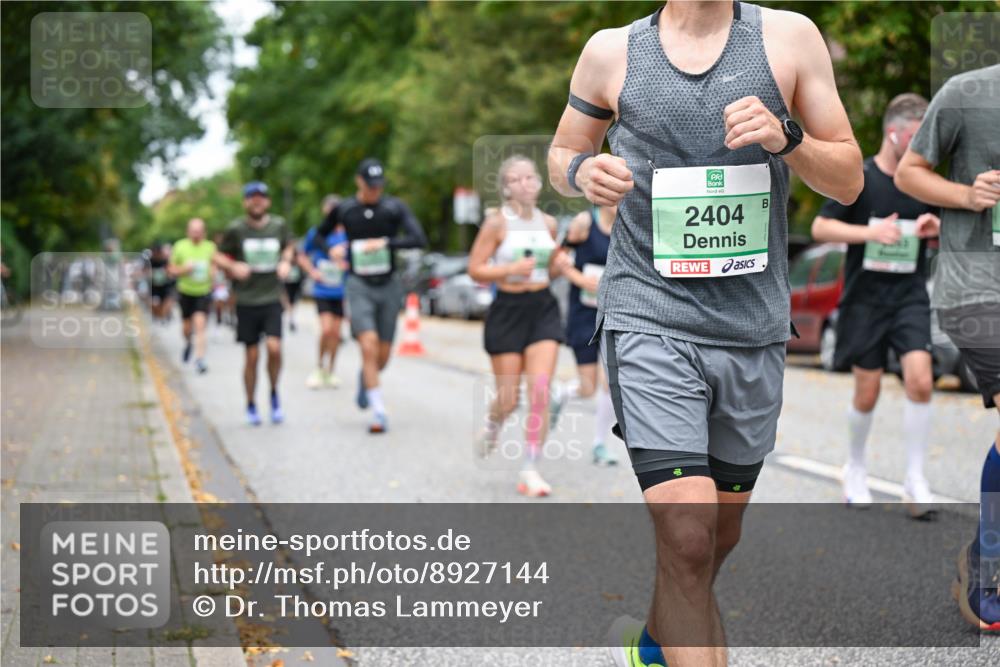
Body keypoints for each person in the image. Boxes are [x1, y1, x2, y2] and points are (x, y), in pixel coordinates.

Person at [548, 2, 864, 664]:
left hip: (751, 329)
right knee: (688, 536)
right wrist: (582, 173)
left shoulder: (788, 37)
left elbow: (850, 177)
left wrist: (789, 138)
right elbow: (563, 152)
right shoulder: (612, 51)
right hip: (649, 315)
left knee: (715, 538)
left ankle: (654, 644)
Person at [895, 64, 1000, 631]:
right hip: (977, 289)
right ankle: (988, 565)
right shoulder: (967, 94)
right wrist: (968, 193)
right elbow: (912, 173)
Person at [810, 93, 941, 516]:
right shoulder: (861, 178)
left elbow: (944, 231)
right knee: (867, 391)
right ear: (894, 133)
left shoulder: (921, 182)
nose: (924, 146)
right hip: (866, 299)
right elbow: (820, 225)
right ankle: (856, 467)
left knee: (920, 380)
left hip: (909, 297)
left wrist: (934, 228)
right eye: (917, 136)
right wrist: (870, 234)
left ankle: (916, 480)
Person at [468, 155, 564, 497]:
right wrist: (509, 270)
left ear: (538, 183)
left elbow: (548, 270)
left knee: (540, 390)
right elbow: (476, 269)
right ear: (506, 188)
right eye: (516, 179)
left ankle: (531, 468)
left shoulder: (549, 224)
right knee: (508, 398)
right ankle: (493, 425)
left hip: (542, 308)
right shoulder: (497, 224)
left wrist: (559, 263)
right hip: (507, 310)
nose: (525, 183)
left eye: (530, 177)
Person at [313, 159, 427, 433]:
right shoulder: (345, 209)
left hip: (388, 284)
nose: (375, 191)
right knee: (368, 344)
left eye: (379, 186)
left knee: (383, 355)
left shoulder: (393, 208)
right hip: (358, 283)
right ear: (359, 182)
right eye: (370, 186)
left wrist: (387, 242)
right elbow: (318, 236)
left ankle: (367, 378)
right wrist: (332, 251)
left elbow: (418, 239)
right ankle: (378, 412)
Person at [214, 181, 295, 426]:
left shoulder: (278, 225)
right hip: (247, 301)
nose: (257, 201)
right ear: (245, 202)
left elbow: (290, 245)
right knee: (251, 356)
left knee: (274, 349)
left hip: (271, 298)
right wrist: (232, 266)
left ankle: (273, 394)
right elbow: (216, 254)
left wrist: (286, 261)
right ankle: (250, 403)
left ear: (268, 202)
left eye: (261, 197)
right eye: (252, 197)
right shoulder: (236, 229)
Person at [550, 204, 619, 466]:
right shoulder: (583, 222)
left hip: (614, 313)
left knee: (611, 381)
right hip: (584, 313)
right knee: (587, 387)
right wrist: (579, 279)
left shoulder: (629, 223)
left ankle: (600, 445)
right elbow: (558, 260)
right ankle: (562, 394)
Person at [300, 194, 348, 389]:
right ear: (324, 211)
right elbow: (302, 255)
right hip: (322, 290)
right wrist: (312, 271)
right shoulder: (317, 233)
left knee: (336, 333)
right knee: (326, 330)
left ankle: (331, 370)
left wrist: (347, 266)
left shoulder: (347, 234)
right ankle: (319, 367)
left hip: (341, 291)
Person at [169, 218, 217, 374]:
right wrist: (184, 269)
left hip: (203, 292)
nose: (196, 233)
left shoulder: (210, 247)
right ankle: (188, 342)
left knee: (200, 326)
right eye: (193, 230)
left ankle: (200, 359)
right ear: (188, 231)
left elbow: (215, 266)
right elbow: (171, 269)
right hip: (185, 292)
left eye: (199, 230)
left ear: (204, 232)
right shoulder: (180, 246)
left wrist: (213, 273)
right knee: (186, 327)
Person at [148, 242, 175, 324]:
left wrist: (168, 273)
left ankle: (165, 315)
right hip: (154, 287)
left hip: (165, 286)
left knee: (167, 301)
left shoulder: (165, 261)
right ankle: (157, 316)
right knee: (154, 303)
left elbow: (171, 271)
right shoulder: (150, 261)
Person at [282, 242, 304, 332]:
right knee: (288, 300)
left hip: (296, 282)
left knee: (293, 301)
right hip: (287, 282)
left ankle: (291, 316)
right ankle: (290, 317)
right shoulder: (284, 257)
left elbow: (302, 267)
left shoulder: (298, 255)